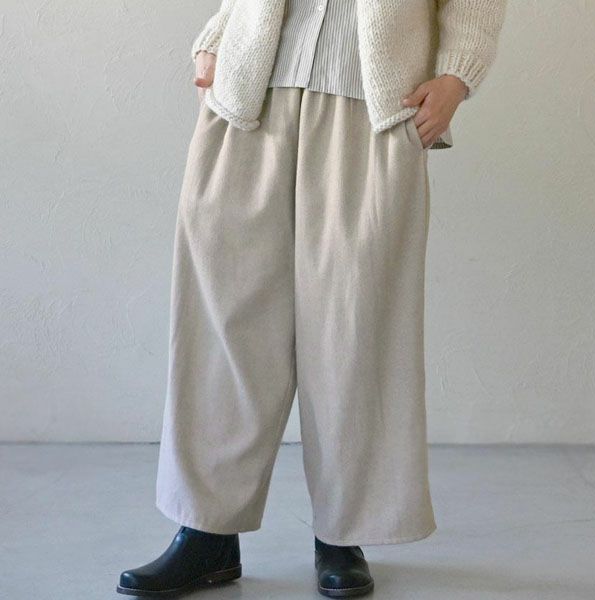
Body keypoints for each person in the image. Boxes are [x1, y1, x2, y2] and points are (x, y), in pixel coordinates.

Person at [118, 0, 506, 597]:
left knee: (354, 325)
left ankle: (344, 533)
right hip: (247, 95)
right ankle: (206, 533)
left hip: (372, 105)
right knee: (223, 320)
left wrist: (457, 73)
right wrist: (214, 39)